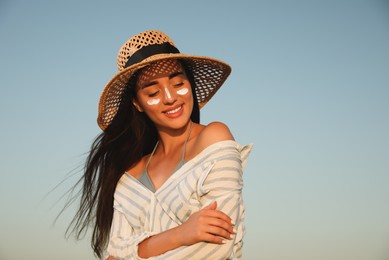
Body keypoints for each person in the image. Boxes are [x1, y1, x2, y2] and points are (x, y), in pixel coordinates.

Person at [68, 30, 252, 259]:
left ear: (190, 84)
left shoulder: (214, 138)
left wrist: (140, 250)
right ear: (137, 103)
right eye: (153, 92)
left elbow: (218, 245)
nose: (170, 97)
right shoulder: (130, 176)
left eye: (177, 83)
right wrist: (179, 235)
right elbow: (115, 252)